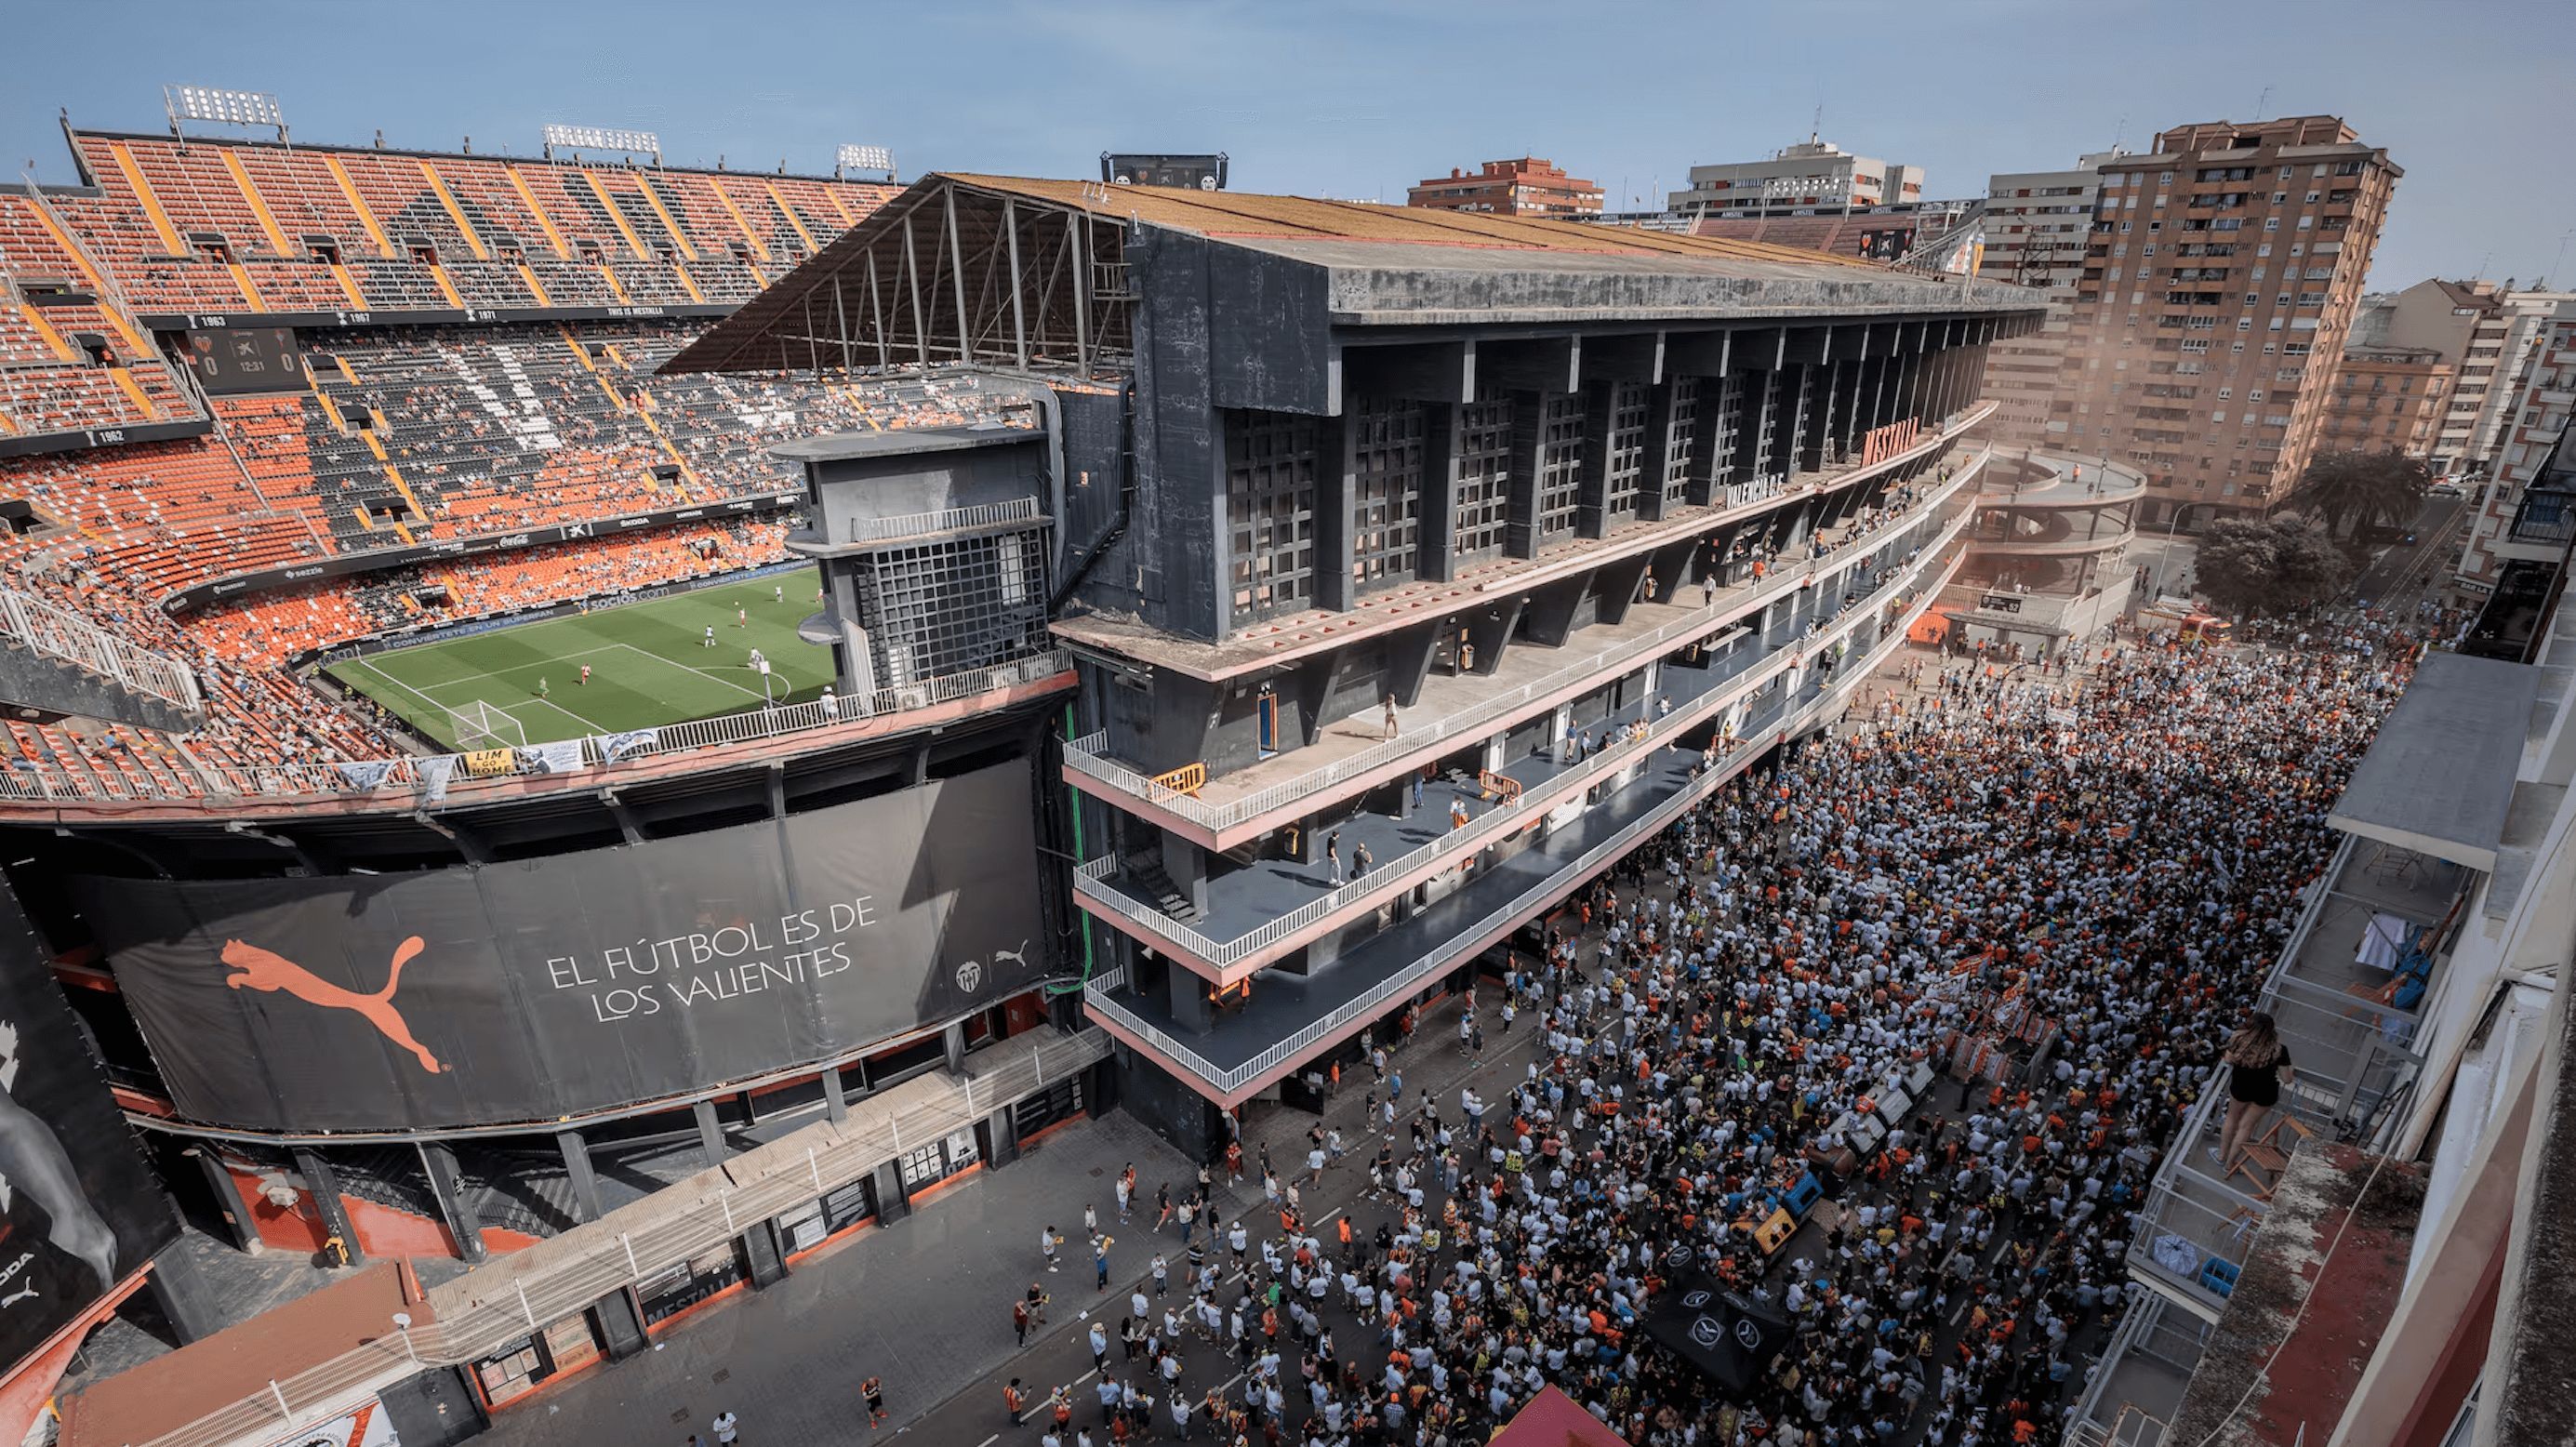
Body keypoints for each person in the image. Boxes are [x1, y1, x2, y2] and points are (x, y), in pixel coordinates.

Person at [2216, 1011, 2293, 1174]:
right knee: (2246, 1127)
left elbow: (2228, 1059)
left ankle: (2221, 1155)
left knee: (2231, 1118)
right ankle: (2230, 1165)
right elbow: (2287, 1079)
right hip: (2266, 1092)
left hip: (2241, 1087)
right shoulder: (2279, 1050)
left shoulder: (2238, 1039)